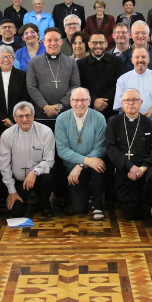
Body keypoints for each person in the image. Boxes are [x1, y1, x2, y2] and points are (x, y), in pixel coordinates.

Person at [105, 89, 152, 220]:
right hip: (124, 168)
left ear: (141, 102)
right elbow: (111, 148)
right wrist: (130, 167)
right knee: (132, 215)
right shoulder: (114, 122)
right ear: (122, 103)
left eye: (135, 100)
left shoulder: (148, 123)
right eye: (127, 100)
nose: (131, 103)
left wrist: (142, 168)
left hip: (145, 167)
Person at [55, 88, 107, 219]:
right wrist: (83, 162)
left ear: (89, 101)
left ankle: (97, 204)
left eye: (83, 100)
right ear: (70, 102)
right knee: (79, 209)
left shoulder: (99, 118)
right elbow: (62, 149)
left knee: (99, 165)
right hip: (71, 168)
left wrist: (81, 164)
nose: (80, 104)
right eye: (76, 100)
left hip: (91, 167)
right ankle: (86, 195)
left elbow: (100, 147)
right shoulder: (61, 119)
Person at [0, 101, 57, 217]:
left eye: (28, 115)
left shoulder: (46, 132)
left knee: (48, 176)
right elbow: (4, 165)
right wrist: (11, 191)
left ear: (33, 116)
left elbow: (49, 160)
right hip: (19, 180)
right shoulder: (7, 135)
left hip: (39, 177)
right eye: (20, 116)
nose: (25, 119)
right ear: (14, 118)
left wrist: (34, 173)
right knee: (16, 212)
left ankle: (44, 203)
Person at [27, 27, 80, 122]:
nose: (53, 43)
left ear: (62, 42)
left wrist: (60, 106)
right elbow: (31, 87)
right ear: (44, 42)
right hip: (41, 112)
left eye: (56, 40)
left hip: (65, 112)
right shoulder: (34, 62)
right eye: (49, 40)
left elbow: (75, 86)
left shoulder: (70, 62)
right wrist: (45, 106)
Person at [0, 46, 30, 138]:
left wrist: (12, 118)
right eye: (2, 57)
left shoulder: (23, 76)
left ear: (13, 59)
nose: (6, 59)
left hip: (17, 121)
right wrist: (3, 119)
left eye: (9, 56)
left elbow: (25, 98)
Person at [113, 47, 152, 122]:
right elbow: (120, 103)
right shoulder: (123, 79)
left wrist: (147, 116)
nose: (140, 60)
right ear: (132, 60)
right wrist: (135, 116)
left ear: (148, 60)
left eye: (143, 57)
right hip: (128, 122)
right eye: (137, 57)